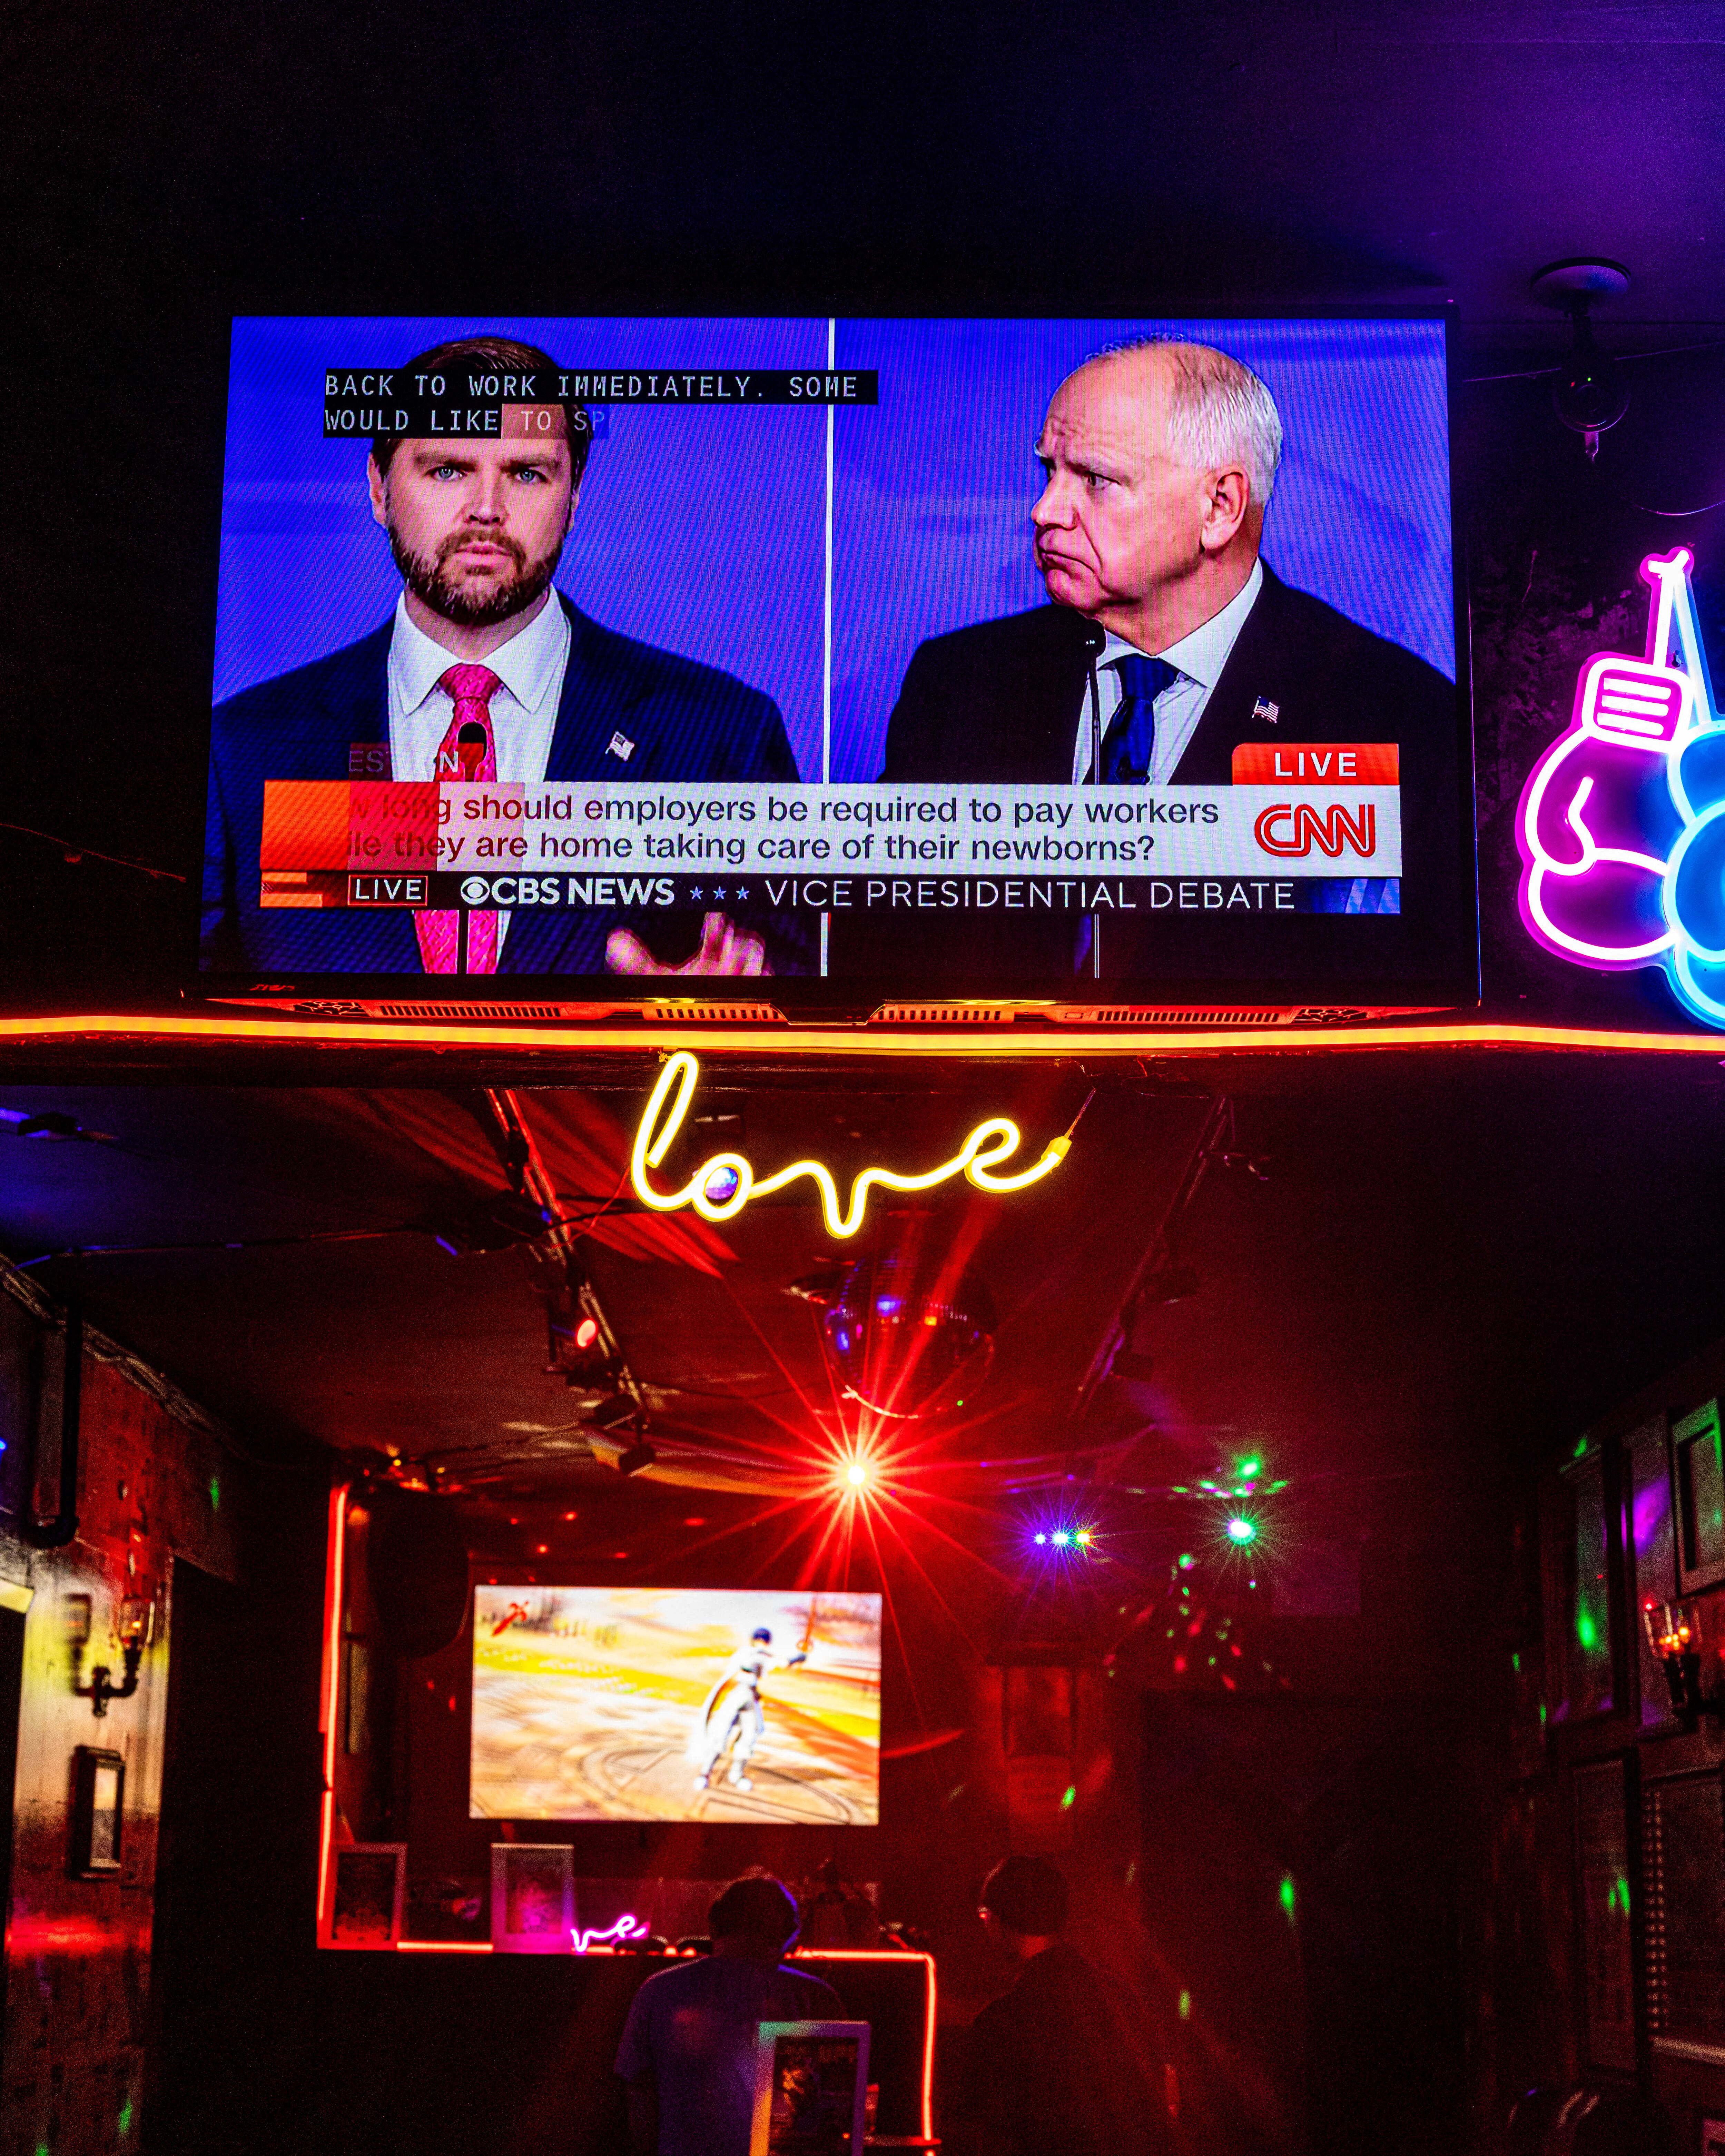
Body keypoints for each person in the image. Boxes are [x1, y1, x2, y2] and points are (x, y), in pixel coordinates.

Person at [203, 333, 799, 979]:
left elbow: (799, 1003)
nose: (487, 510)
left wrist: (732, 1015)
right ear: (379, 490)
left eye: (526, 474)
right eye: (448, 469)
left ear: (572, 500)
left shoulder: (721, 735)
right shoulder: (247, 748)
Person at [873, 339, 1462, 977]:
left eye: (1096, 480)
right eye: (1050, 472)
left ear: (1220, 508)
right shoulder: (960, 681)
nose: (1044, 512)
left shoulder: (1399, 714)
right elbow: (881, 950)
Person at [947, 1854, 1171, 2156]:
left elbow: (977, 2131)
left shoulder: (1002, 2022)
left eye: (984, 1916)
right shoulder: (1120, 1996)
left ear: (999, 1922)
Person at [614, 1873, 843, 2156]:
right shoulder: (816, 1997)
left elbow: (640, 2095)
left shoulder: (659, 1990)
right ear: (790, 1934)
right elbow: (838, 2104)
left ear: (714, 1927)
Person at [692, 1625, 808, 1793]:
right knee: (721, 1734)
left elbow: (773, 1665)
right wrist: (793, 1660)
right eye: (760, 1640)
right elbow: (767, 1663)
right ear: (755, 1640)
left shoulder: (764, 1656)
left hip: (751, 1699)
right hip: (737, 1695)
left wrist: (796, 1660)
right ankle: (705, 1774)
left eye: (765, 1641)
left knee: (749, 1737)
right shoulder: (747, 1653)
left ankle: (736, 1775)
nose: (763, 1643)